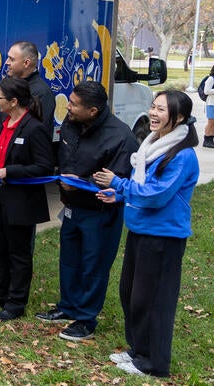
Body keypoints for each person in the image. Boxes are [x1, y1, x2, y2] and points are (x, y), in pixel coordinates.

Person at [92, 90, 199, 379]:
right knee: (131, 295)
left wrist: (119, 184)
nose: (153, 113)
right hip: (141, 230)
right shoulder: (153, 145)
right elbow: (143, 186)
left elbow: (157, 194)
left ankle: (153, 363)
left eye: (162, 109)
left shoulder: (182, 155)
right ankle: (138, 350)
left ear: (179, 118)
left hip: (163, 237)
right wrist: (119, 195)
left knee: (153, 301)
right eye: (153, 106)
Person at [33, 81, 139, 341]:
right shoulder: (71, 124)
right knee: (69, 260)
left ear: (93, 111)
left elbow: (119, 180)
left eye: (74, 104)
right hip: (72, 208)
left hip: (100, 212)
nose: (68, 107)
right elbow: (66, 158)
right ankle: (68, 306)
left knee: (94, 265)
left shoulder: (121, 137)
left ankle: (86, 319)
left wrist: (81, 184)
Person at [0, 76, 55, 321]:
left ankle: (16, 302)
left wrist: (11, 171)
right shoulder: (4, 123)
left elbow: (44, 166)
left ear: (14, 101)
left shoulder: (34, 128)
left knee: (18, 252)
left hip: (20, 199)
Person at [0, 41, 55, 137]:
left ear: (26, 63)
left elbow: (39, 132)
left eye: (11, 59)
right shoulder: (6, 85)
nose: (7, 62)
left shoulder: (42, 93)